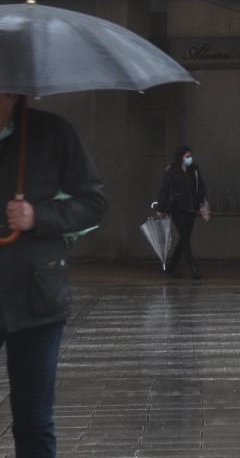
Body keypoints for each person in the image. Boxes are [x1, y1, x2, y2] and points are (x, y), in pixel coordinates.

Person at [0, 94, 109, 456]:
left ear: (14, 93)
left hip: (38, 297)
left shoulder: (52, 132)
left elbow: (93, 203)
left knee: (33, 418)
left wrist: (38, 217)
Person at [155, 145, 207, 279]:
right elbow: (165, 190)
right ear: (180, 157)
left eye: (190, 156)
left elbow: (201, 187)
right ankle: (193, 269)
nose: (190, 159)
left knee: (185, 239)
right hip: (178, 209)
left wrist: (198, 201)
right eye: (187, 156)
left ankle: (172, 267)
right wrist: (160, 209)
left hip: (191, 210)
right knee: (185, 238)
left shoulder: (194, 170)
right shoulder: (173, 171)